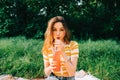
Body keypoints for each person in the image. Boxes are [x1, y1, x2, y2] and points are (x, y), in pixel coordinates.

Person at [42, 16, 79, 80]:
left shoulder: (73, 45)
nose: (58, 33)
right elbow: (46, 73)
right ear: (50, 31)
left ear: (65, 31)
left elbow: (72, 73)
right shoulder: (47, 47)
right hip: (53, 77)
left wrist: (62, 52)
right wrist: (51, 67)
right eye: (54, 30)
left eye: (61, 30)